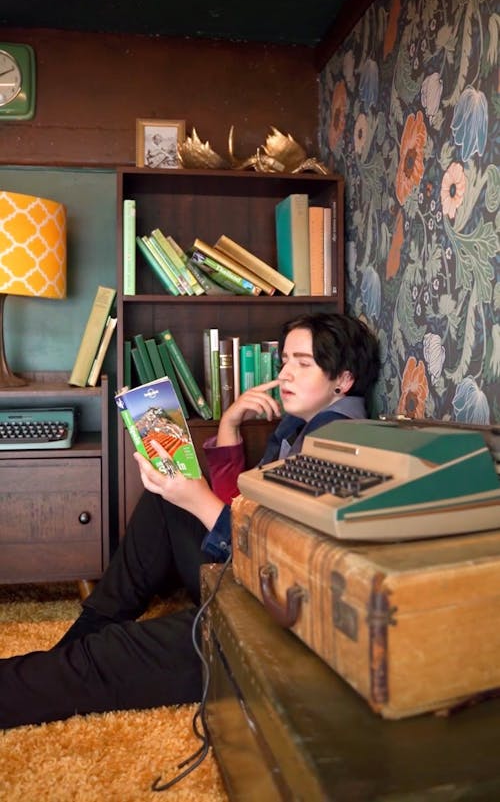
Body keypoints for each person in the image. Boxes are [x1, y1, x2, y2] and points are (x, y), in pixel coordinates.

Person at [0, 312, 379, 729]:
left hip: (263, 623)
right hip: (242, 575)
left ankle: (63, 664)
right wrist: (230, 424)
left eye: (303, 363)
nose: (285, 373)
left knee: (109, 656)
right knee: (165, 504)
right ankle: (85, 632)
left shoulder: (335, 444)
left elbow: (278, 563)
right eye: (285, 360)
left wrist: (197, 498)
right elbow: (242, 508)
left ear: (342, 381)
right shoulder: (303, 425)